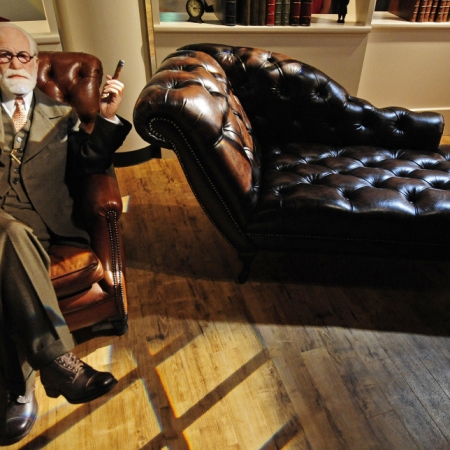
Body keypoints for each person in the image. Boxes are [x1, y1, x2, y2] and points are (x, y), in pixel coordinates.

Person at [0, 23, 131, 445]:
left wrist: (106, 117)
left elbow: (89, 164)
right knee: (8, 233)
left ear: (35, 63)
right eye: (3, 56)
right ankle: (55, 365)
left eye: (23, 56)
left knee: (12, 246)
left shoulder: (61, 114)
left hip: (46, 228)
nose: (14, 63)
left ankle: (17, 388)